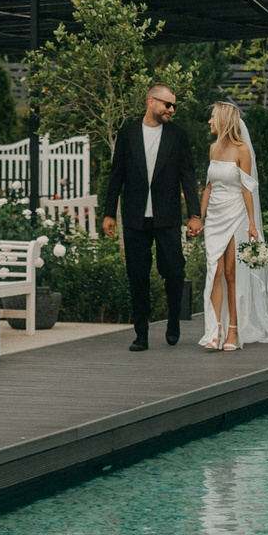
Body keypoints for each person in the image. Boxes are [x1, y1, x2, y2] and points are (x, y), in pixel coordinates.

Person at [100, 82, 201, 351]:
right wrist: (109, 213)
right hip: (135, 217)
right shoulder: (128, 133)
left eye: (173, 105)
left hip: (167, 216)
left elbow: (187, 174)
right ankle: (141, 334)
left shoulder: (178, 135)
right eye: (168, 104)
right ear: (151, 102)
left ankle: (173, 321)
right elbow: (116, 175)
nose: (171, 109)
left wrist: (194, 214)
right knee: (137, 276)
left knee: (174, 271)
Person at [197, 101, 268, 350]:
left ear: (223, 120)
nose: (209, 121)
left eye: (213, 117)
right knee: (214, 271)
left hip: (236, 213)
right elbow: (208, 187)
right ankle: (215, 330)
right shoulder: (213, 148)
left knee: (231, 273)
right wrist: (198, 217)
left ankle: (233, 329)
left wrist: (252, 224)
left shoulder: (242, 150)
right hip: (214, 216)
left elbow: (247, 189)